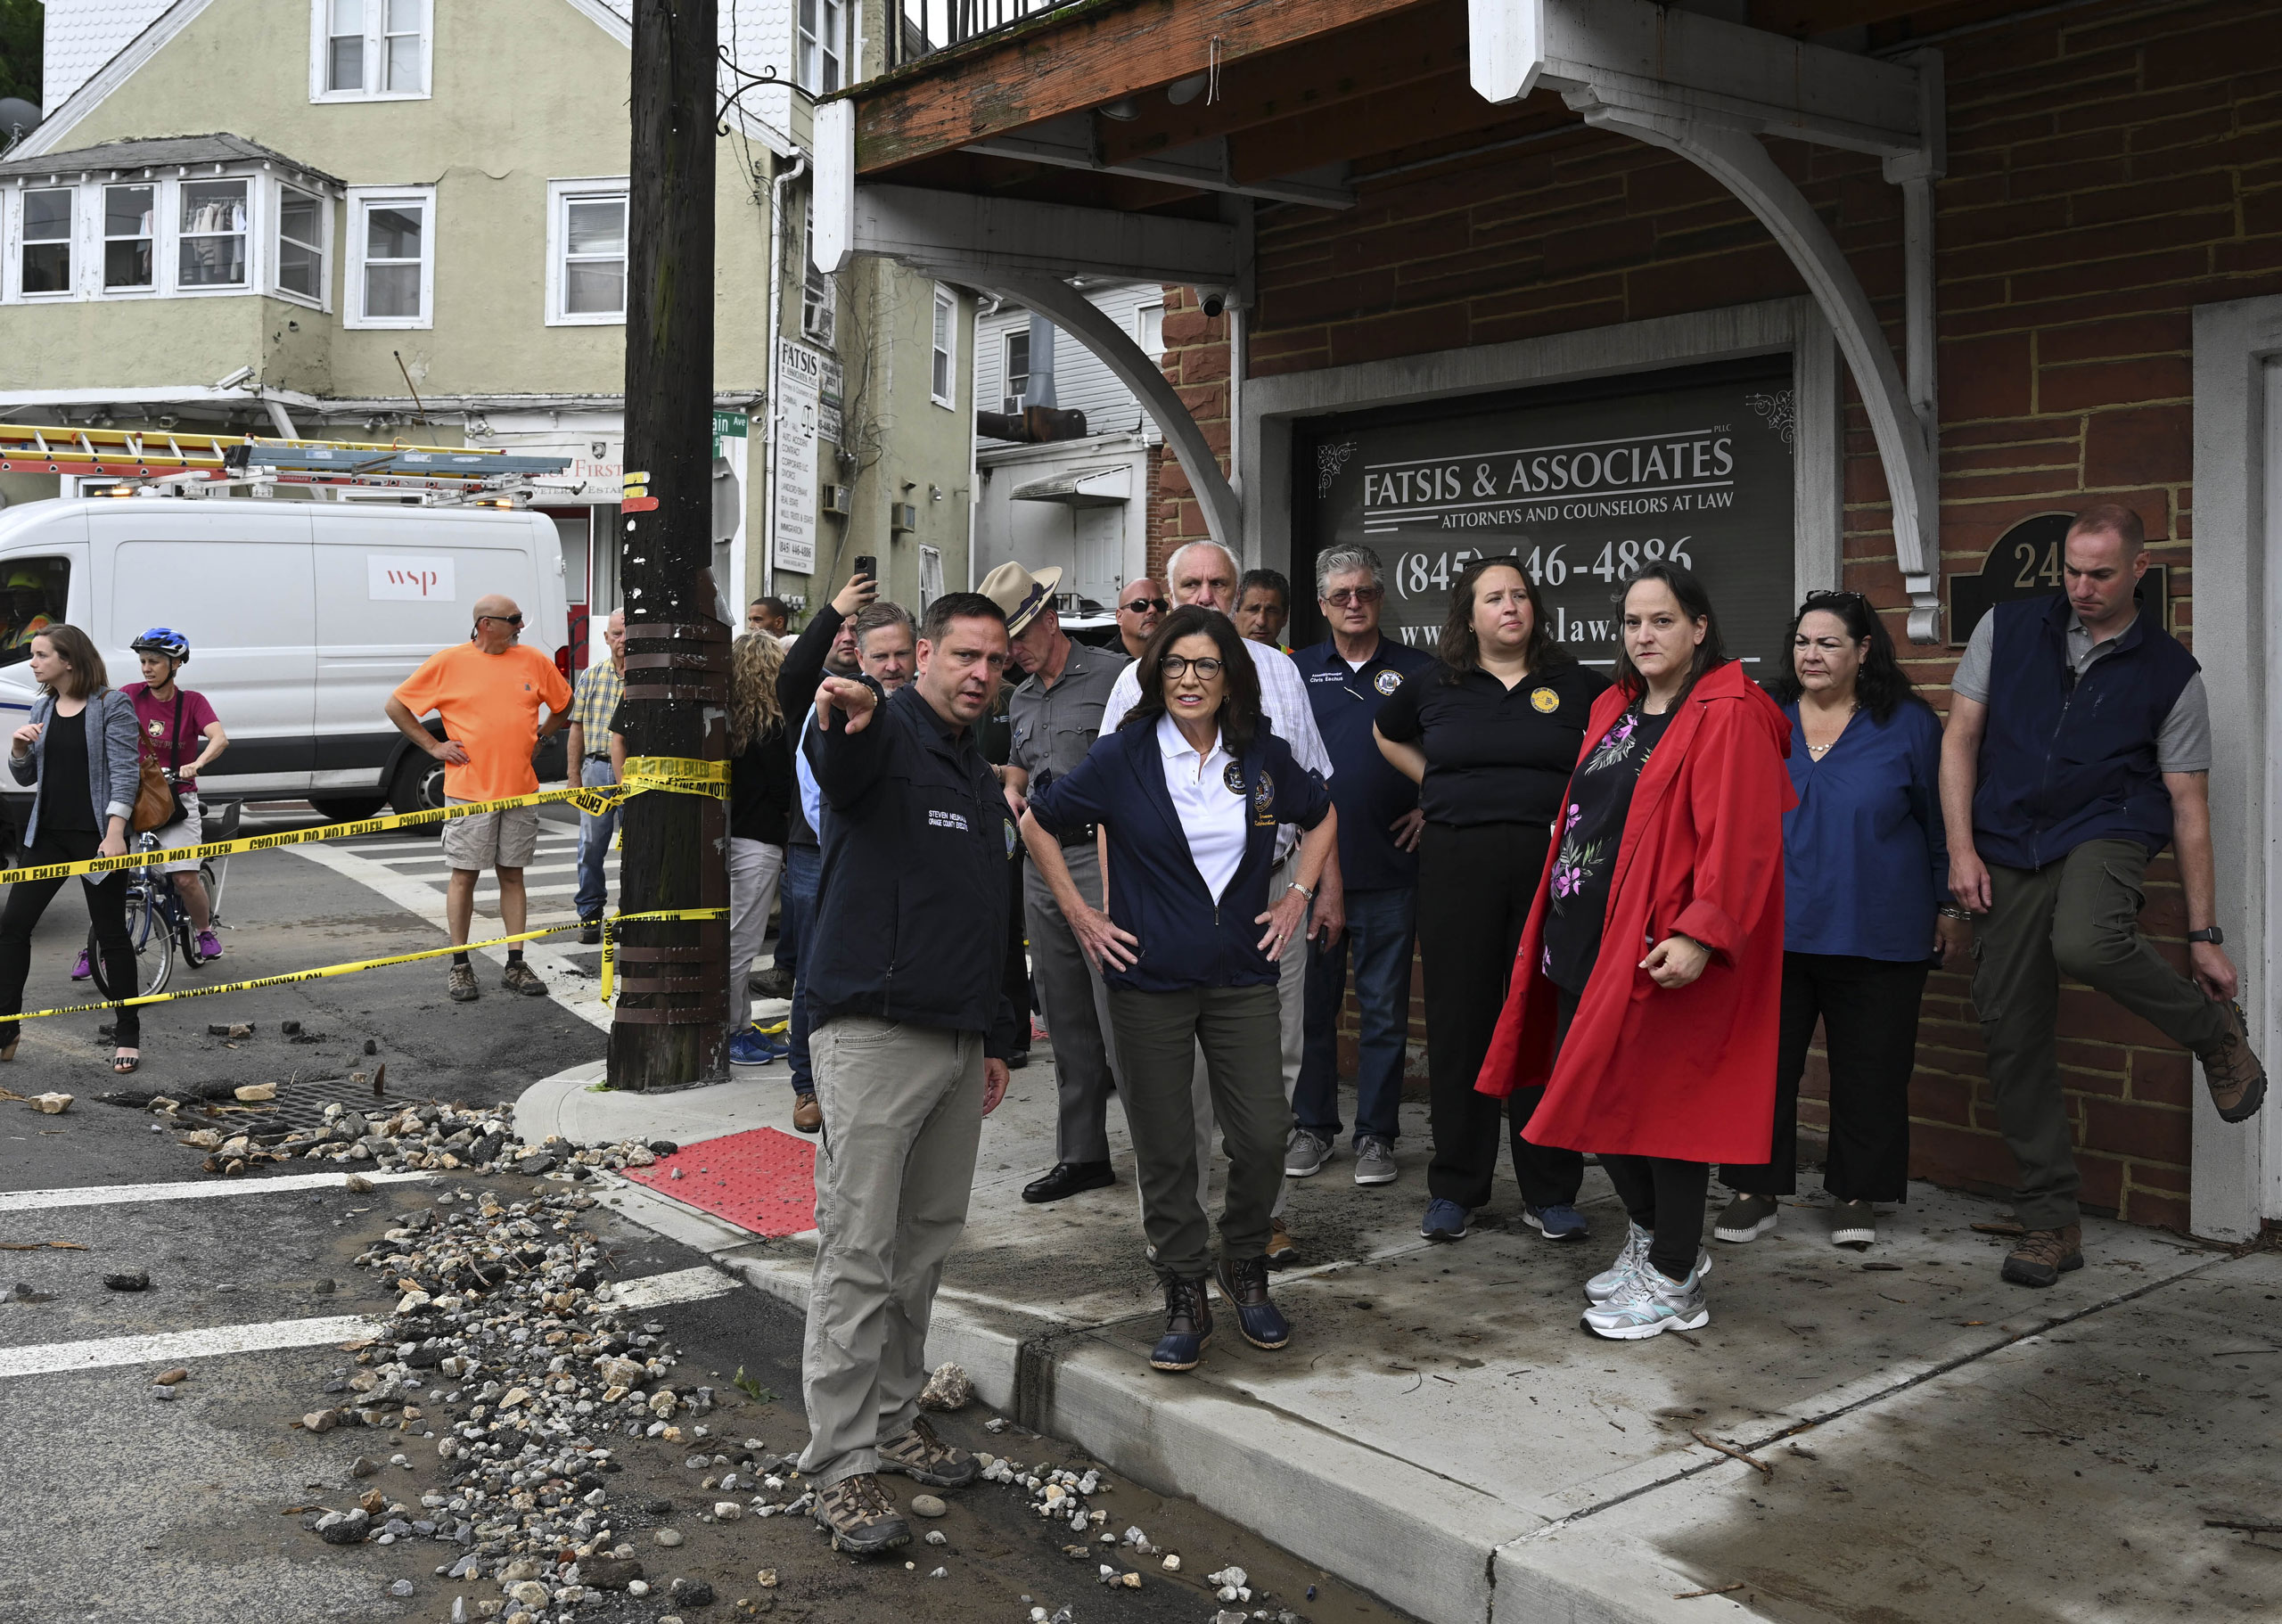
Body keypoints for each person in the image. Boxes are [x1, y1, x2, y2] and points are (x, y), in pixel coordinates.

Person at [1941, 503, 2265, 1289]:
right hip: (2007, 835)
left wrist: (2204, 933)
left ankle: (2213, 1035)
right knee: (2011, 1030)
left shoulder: (2171, 673)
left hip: (2106, 823)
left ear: (2139, 570)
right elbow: (1960, 740)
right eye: (2072, 572)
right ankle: (2052, 1222)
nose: (2082, 588)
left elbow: (2188, 805)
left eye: (2101, 574)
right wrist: (1959, 851)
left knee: (2085, 940)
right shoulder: (2009, 628)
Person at [1478, 564, 1792, 1341]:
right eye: (1631, 623)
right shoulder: (1615, 706)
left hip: (1664, 947)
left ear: (1699, 628)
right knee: (1599, 1100)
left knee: (1662, 1114)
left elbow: (1745, 839)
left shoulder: (1731, 712)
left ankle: (1679, 1279)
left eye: (1660, 621)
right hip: (1586, 935)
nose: (1643, 636)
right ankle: (1654, 1240)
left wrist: (1701, 932)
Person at [1022, 606, 1335, 1374]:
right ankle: (1185, 1287)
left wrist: (1296, 893)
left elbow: (1323, 813)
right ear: (1155, 674)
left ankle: (1244, 1259)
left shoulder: (1261, 755)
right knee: (1166, 1150)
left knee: (1264, 1135)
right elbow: (1038, 821)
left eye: (1206, 665)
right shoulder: (1125, 753)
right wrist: (1079, 911)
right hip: (1149, 983)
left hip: (1241, 976)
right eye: (1175, 665)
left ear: (1232, 677)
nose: (1190, 679)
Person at [797, 592, 1017, 1556]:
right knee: (858, 1248)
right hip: (874, 1035)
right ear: (921, 654)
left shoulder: (973, 767)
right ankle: (840, 1465)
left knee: (921, 1248)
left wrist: (999, 1036)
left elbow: (987, 906)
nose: (980, 673)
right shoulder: (881, 730)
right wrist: (842, 712)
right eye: (965, 654)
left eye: (995, 662)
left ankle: (893, 1421)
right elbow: (837, 756)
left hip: (961, 1039)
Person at [1099, 540, 1337, 1265]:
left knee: (1277, 1064)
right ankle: (1177, 1230)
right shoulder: (1138, 680)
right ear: (1170, 596)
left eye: (1220, 583)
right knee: (1179, 1086)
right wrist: (1108, 908)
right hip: (1166, 906)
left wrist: (1314, 891)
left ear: (1238, 593)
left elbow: (1320, 791)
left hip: (1268, 899)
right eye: (1191, 583)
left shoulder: (1280, 673)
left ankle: (1260, 1224)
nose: (1207, 594)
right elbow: (1110, 804)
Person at [1714, 592, 1966, 1250]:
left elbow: (1940, 825)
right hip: (1774, 931)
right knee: (1762, 1065)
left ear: (1862, 652)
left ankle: (1857, 1192)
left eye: (1828, 643)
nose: (1812, 654)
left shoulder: (1908, 725)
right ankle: (1753, 1189)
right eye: (1802, 642)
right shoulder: (1763, 718)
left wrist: (1947, 904)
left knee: (1872, 1069)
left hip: (1881, 930)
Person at [1373, 557, 1609, 1242]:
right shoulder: (1434, 684)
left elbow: (1613, 757)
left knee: (1543, 1021)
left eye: (1521, 595)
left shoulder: (1578, 686)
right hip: (1456, 866)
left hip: (1550, 872)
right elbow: (1387, 732)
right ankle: (1458, 1187)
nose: (1511, 606)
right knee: (1461, 1024)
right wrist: (1436, 783)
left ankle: (1550, 1190)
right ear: (1468, 615)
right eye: (1494, 597)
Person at [982, 560, 1134, 1204]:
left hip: (1102, 858)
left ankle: (1161, 1151)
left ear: (1049, 620)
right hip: (1040, 863)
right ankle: (1083, 1155)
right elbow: (1021, 767)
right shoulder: (1019, 696)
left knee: (1122, 1011)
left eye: (1018, 635)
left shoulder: (1113, 676)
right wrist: (1012, 790)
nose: (1010, 652)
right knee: (1064, 1014)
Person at [1288, 545, 1432, 1188]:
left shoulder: (1420, 670)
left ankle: (1377, 1136)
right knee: (1311, 1012)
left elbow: (1455, 749)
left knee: (1382, 1013)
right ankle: (1313, 1128)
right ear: (1322, 604)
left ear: (1380, 597)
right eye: (1341, 594)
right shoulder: (1296, 672)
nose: (1354, 602)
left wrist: (1435, 803)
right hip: (1311, 873)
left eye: (1365, 592)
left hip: (1391, 870)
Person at [384, 593, 571, 1003]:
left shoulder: (533, 661)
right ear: (487, 624)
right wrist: (433, 747)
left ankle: (516, 962)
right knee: (464, 876)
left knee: (512, 874)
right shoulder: (449, 663)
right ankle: (460, 964)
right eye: (514, 619)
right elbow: (396, 706)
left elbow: (564, 703)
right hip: (470, 793)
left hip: (519, 790)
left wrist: (542, 736)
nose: (521, 626)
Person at [784, 600, 915, 1126]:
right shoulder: (835, 702)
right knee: (818, 964)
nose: (892, 665)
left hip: (893, 862)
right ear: (860, 656)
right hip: (826, 856)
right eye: (880, 655)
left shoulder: (927, 710)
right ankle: (806, 1083)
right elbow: (818, 797)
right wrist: (855, 847)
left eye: (902, 653)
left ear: (919, 652)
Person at [1, 627, 145, 1073]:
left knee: (111, 935)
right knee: (11, 928)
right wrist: (18, 748)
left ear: (69, 659)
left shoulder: (111, 705)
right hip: (46, 836)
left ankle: (128, 1033)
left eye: (41, 654)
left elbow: (125, 774)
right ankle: (7, 1029)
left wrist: (116, 832)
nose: (33, 662)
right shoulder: (43, 704)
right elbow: (27, 778)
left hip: (96, 836)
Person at [771, 570, 878, 1123]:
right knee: (813, 965)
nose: (846, 635)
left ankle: (858, 1075)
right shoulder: (804, 695)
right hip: (813, 852)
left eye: (857, 630)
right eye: (841, 628)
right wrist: (836, 608)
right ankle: (807, 1084)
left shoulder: (880, 696)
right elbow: (792, 667)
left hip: (873, 847)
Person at [111, 628, 227, 965]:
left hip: (177, 800)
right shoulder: (130, 695)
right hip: (134, 799)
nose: (146, 668)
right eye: (143, 661)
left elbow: (219, 738)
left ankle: (204, 931)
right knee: (118, 880)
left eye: (154, 662)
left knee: (184, 877)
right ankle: (96, 945)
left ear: (175, 664)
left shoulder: (192, 702)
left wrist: (197, 763)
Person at [725, 631, 794, 1068]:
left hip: (725, 838)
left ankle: (742, 1025)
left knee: (731, 938)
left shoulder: (726, 720)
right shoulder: (774, 725)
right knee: (741, 943)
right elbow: (783, 791)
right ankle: (732, 1032)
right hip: (760, 843)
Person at [566, 610, 626, 946]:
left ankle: (630, 912)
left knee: (635, 847)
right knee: (591, 844)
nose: (623, 641)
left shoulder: (646, 678)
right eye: (617, 634)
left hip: (635, 771)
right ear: (606, 637)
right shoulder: (592, 675)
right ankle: (590, 912)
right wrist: (573, 775)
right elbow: (576, 728)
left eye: (628, 634)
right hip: (597, 769)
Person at [1234, 569, 1292, 649]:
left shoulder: (1295, 660)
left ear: (1285, 617)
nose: (1261, 622)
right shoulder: (1216, 658)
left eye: (1271, 611)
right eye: (1253, 610)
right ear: (1234, 614)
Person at [1116, 578, 1167, 660]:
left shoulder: (1176, 655)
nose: (1153, 610)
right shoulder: (1102, 664)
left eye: (1159, 605)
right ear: (1119, 617)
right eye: (1140, 605)